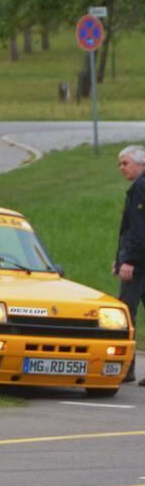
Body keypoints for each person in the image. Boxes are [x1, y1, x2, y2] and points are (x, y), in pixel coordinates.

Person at [113, 145, 145, 384]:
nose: (121, 168)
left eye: (125, 163)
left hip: (138, 265)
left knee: (125, 314)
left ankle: (126, 368)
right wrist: (120, 257)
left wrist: (129, 260)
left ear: (140, 163)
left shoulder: (140, 188)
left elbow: (137, 228)